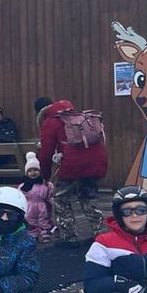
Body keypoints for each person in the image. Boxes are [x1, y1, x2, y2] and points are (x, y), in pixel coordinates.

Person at [35, 96, 108, 247]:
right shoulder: (78, 115)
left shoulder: (50, 121)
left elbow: (46, 153)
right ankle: (100, 234)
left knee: (61, 198)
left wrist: (45, 176)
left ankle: (70, 237)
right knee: (88, 197)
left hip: (73, 164)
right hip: (97, 161)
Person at [18, 152, 55, 242]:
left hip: (42, 205)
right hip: (30, 206)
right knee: (31, 221)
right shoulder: (24, 185)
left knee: (44, 220)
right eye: (30, 171)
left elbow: (49, 192)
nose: (33, 172)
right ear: (27, 173)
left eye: (35, 170)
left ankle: (45, 235)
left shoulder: (44, 184)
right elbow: (20, 195)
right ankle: (33, 236)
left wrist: (51, 200)